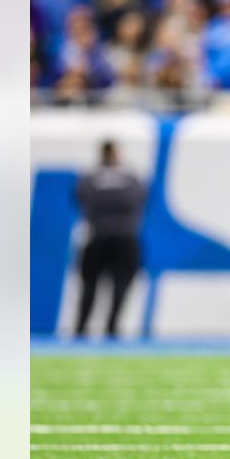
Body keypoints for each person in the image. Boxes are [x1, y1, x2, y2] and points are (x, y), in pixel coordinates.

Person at [74, 140, 148, 338]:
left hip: (97, 236)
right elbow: (143, 198)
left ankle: (81, 330)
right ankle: (112, 330)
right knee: (120, 286)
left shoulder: (90, 178)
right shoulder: (130, 178)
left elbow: (79, 198)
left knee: (90, 288)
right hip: (124, 238)